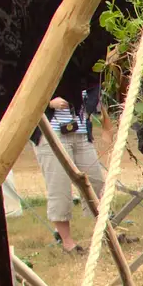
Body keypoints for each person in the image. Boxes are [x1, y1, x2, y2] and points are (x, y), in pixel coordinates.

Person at [31, 85, 107, 253]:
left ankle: (106, 234)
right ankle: (67, 243)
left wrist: (85, 106)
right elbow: (26, 95)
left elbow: (95, 88)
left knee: (97, 183)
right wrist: (49, 103)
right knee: (59, 187)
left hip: (80, 130)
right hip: (51, 132)